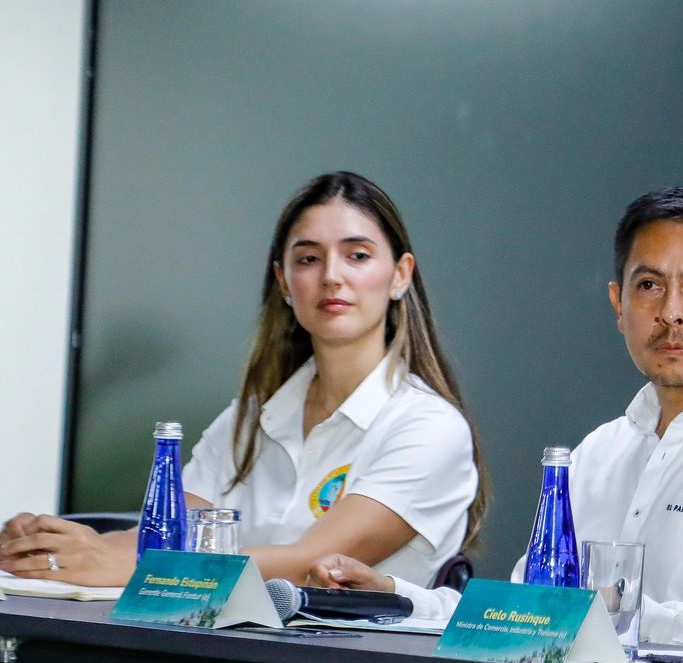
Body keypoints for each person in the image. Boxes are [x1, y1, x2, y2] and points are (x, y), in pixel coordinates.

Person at [312, 187, 683, 648]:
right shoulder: (598, 452)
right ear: (619, 305)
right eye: (649, 286)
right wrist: (395, 599)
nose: (671, 312)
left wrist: (612, 615)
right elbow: (526, 613)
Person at [0, 171, 485, 588]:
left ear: (400, 275)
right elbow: (161, 538)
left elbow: (308, 564)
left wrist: (128, 565)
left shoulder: (429, 428)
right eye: (309, 259)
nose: (332, 277)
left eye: (357, 255)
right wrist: (53, 546)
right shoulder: (250, 419)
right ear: (284, 281)